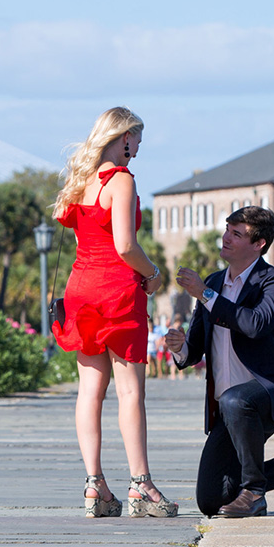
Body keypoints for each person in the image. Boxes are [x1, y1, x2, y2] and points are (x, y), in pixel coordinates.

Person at [52, 106, 178, 518]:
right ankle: (141, 485)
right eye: (138, 140)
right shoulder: (120, 180)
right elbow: (125, 245)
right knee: (130, 393)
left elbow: (78, 236)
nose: (139, 148)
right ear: (125, 137)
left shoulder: (82, 181)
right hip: (117, 292)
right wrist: (154, 273)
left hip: (80, 289)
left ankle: (95, 487)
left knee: (89, 392)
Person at [164, 206, 274, 517]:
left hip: (269, 394)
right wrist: (180, 347)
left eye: (237, 233)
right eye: (227, 230)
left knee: (236, 399)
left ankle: (255, 494)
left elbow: (256, 324)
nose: (226, 238)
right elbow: (195, 349)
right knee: (211, 500)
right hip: (228, 408)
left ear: (258, 244)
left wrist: (204, 294)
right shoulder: (215, 282)